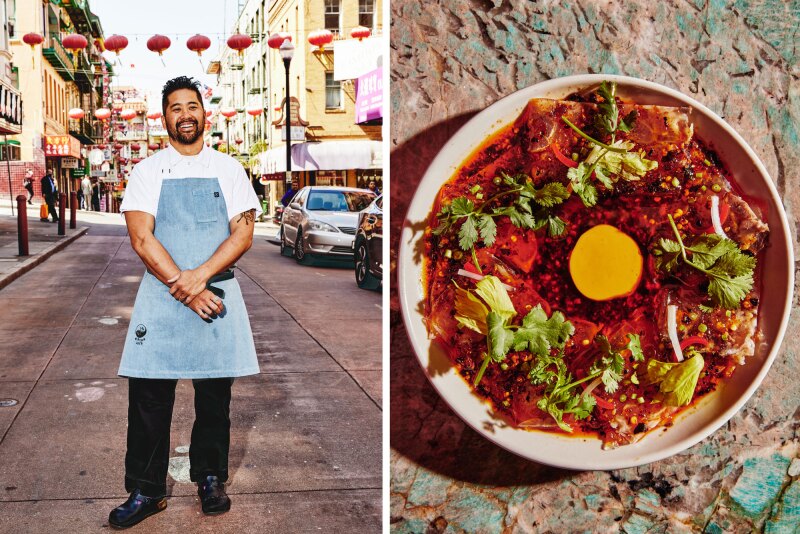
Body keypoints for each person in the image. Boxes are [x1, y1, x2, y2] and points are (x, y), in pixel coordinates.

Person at [108, 76, 262, 529]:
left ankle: (210, 478)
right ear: (164, 118)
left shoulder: (229, 170)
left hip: (216, 294)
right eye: (176, 108)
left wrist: (199, 278)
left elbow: (243, 234)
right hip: (162, 296)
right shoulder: (147, 171)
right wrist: (185, 285)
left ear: (204, 114)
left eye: (191, 106)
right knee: (149, 398)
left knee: (214, 397)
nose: (185, 115)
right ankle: (147, 490)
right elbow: (142, 238)